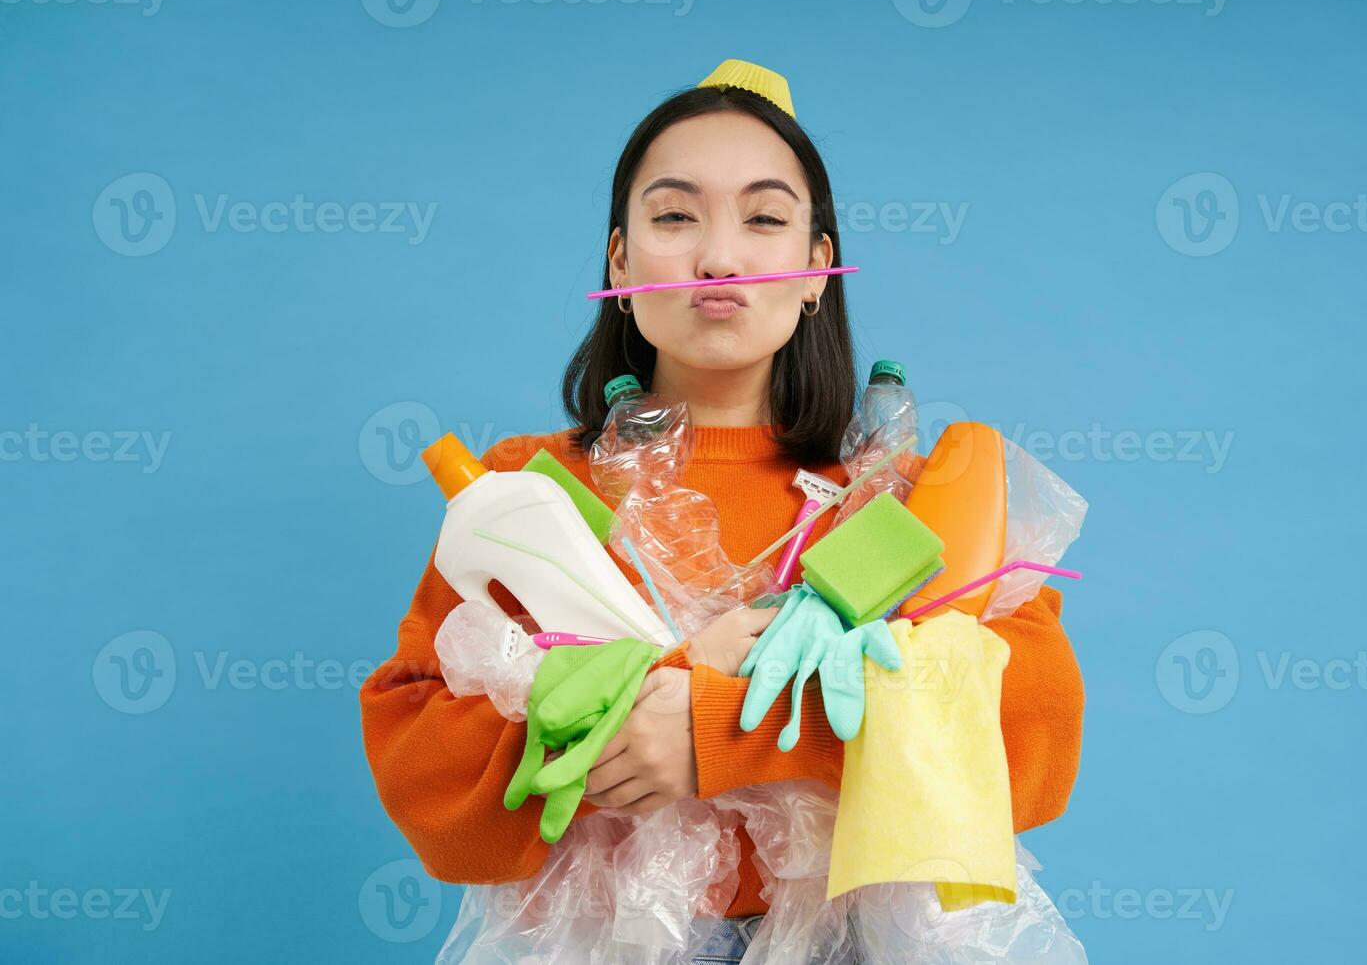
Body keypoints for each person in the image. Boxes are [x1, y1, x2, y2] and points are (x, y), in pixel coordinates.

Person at [359, 58, 1085, 963]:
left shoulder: (904, 498)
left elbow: (1032, 747)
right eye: (673, 216)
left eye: (766, 218)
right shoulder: (529, 495)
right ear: (619, 259)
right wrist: (624, 728)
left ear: (817, 269)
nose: (719, 256)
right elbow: (424, 777)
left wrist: (721, 731)